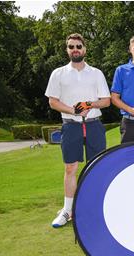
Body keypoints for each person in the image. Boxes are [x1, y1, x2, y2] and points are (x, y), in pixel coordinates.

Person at [45, 33, 111, 228]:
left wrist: (89, 104)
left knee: (96, 167)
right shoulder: (58, 73)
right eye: (71, 46)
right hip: (71, 125)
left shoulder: (96, 73)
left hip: (93, 125)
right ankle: (67, 211)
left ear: (85, 49)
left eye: (78, 46)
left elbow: (106, 101)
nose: (75, 49)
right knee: (70, 168)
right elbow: (53, 101)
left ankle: (96, 208)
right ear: (67, 50)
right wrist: (73, 110)